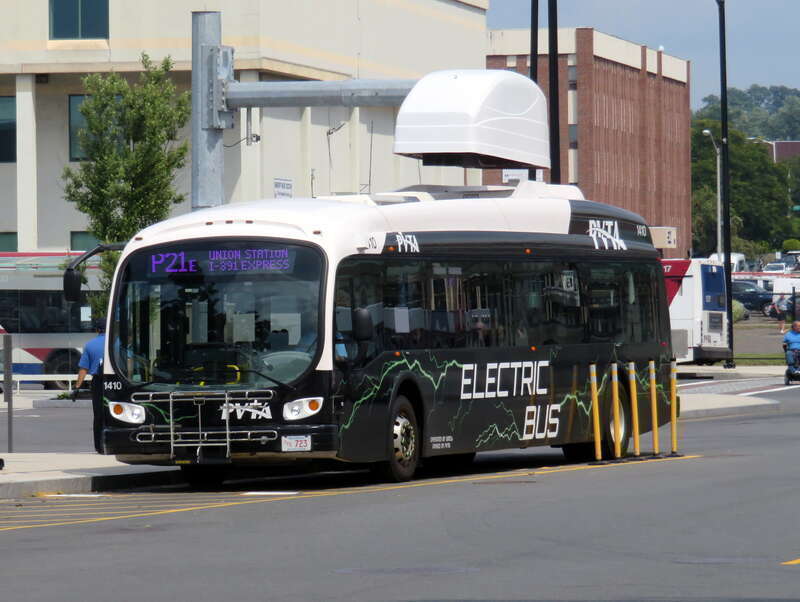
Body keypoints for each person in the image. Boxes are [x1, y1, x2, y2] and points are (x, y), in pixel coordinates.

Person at [72, 317, 106, 452]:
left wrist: (77, 387)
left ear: (97, 330)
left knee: (98, 415)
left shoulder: (90, 345)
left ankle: (98, 446)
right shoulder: (117, 342)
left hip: (98, 382)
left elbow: (83, 369)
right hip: (116, 381)